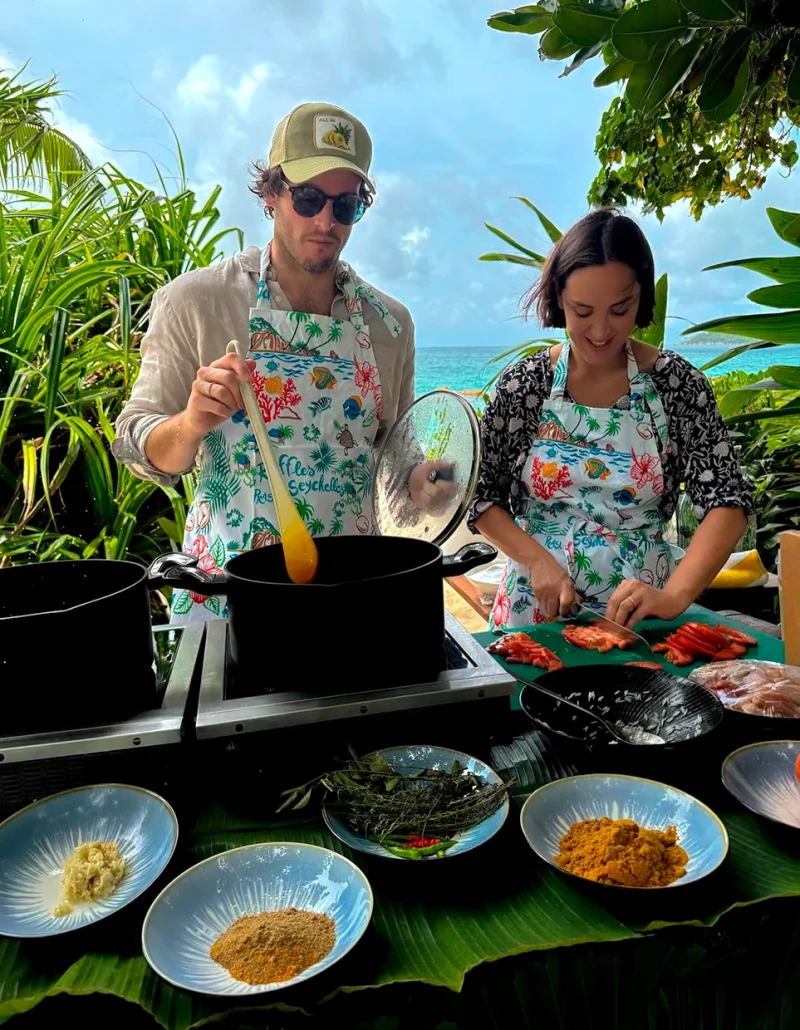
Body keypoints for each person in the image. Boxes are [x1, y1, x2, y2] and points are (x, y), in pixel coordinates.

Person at [115, 102, 436, 620]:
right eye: (308, 199)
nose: (327, 221)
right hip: (224, 597)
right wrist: (192, 422)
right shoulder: (197, 302)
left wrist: (420, 483)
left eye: (345, 205)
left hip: (352, 594)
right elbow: (134, 446)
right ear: (270, 193)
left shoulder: (390, 325)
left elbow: (393, 459)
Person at [468, 209, 753, 631]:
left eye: (620, 310)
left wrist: (674, 597)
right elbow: (481, 495)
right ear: (558, 299)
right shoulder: (524, 385)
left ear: (641, 298)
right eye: (582, 312)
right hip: (534, 613)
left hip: (641, 620)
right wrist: (537, 561)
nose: (600, 331)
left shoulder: (677, 385)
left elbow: (727, 501)